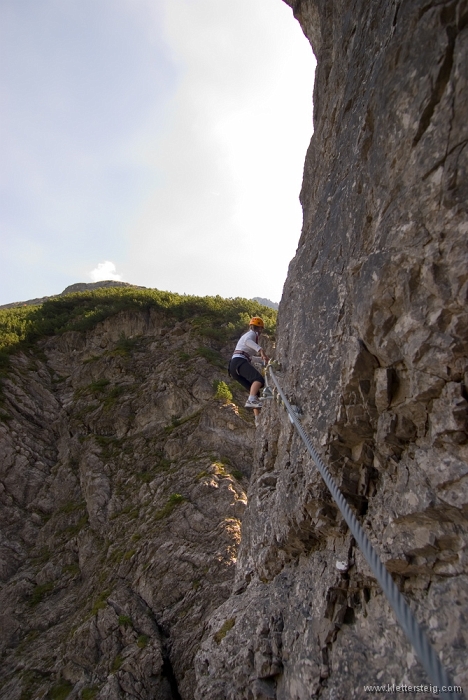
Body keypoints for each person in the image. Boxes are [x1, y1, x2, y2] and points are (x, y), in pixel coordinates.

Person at [229, 317, 269, 418]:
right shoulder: (251, 334)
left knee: (255, 392)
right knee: (259, 380)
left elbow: (250, 358)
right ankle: (251, 400)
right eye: (261, 329)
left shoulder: (248, 336)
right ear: (259, 328)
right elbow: (248, 341)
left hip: (234, 366)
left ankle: (257, 418)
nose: (261, 331)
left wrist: (262, 360)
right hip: (239, 361)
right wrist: (261, 351)